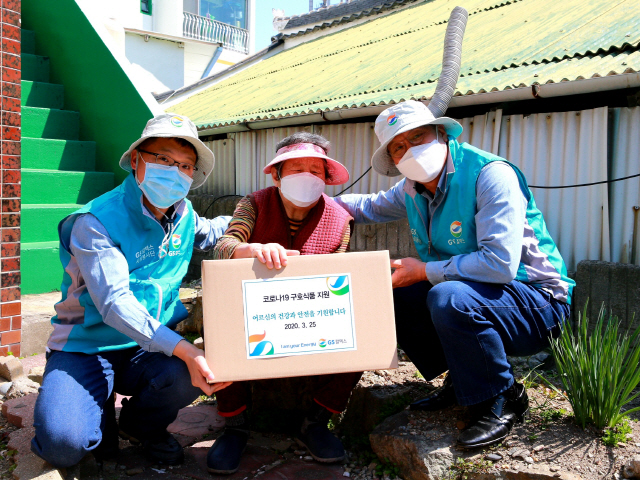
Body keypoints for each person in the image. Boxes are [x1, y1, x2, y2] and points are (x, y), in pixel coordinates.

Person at [334, 100, 575, 449]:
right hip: (479, 296)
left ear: (441, 134)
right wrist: (314, 203)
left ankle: (504, 397)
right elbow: (368, 206)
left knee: (446, 296)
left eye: (418, 137)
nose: (410, 150)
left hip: (539, 303)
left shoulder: (490, 175)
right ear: (394, 160)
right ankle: (463, 378)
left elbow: (500, 264)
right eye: (399, 147)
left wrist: (424, 271)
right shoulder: (412, 189)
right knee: (394, 289)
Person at [31, 113, 233, 468]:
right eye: (163, 159)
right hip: (87, 346)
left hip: (145, 348)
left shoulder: (183, 215)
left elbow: (215, 231)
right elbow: (114, 304)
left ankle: (141, 428)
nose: (175, 171)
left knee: (188, 375)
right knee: (65, 445)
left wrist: (253, 226)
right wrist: (185, 349)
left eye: (186, 165)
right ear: (136, 160)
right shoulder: (95, 222)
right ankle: (89, 403)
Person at [207, 132, 362, 474]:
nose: (307, 176)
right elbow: (223, 246)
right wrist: (248, 250)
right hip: (253, 312)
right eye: (296, 168)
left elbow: (337, 277)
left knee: (361, 331)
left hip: (308, 314)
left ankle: (316, 421)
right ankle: (235, 424)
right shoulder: (254, 203)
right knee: (220, 321)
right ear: (276, 175)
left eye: (315, 170)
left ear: (326, 178)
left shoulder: (340, 220)